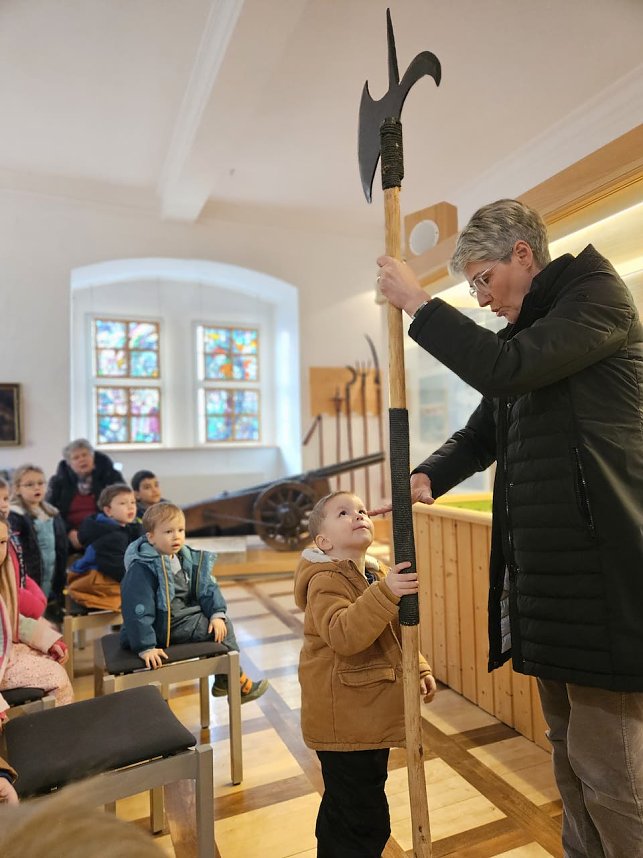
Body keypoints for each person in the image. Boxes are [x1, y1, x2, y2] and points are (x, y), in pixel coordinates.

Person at [376, 198, 643, 857]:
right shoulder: (532, 334)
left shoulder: (595, 299)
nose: (480, 299)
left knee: (615, 773)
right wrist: (427, 477)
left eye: (481, 281)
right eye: (469, 287)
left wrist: (419, 304)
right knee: (570, 758)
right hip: (550, 582)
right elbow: (483, 430)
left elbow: (505, 371)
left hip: (600, 579)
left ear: (522, 255)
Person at [294, 491, 436, 858]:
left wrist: (417, 665)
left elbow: (391, 632)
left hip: (365, 715)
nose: (358, 515)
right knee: (361, 818)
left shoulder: (373, 572)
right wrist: (386, 593)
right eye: (343, 512)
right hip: (342, 719)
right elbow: (344, 634)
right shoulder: (325, 580)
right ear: (323, 541)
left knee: (354, 804)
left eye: (360, 510)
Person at [120, 502, 268, 703]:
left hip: (180, 617)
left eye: (180, 530)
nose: (176, 536)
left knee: (220, 623)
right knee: (224, 630)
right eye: (168, 531)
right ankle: (236, 683)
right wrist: (146, 646)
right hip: (160, 628)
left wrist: (216, 613)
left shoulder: (185, 557)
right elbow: (137, 611)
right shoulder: (142, 568)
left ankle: (228, 679)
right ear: (151, 537)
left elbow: (207, 587)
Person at [0, 516, 72, 708]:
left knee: (53, 657)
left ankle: (43, 731)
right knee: (56, 675)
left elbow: (13, 620)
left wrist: (48, 642)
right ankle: (51, 734)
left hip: (6, 653)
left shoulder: (3, 578)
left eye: (2, 542)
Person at [67, 484, 141, 611]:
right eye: (123, 503)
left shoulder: (122, 529)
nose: (130, 507)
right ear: (108, 511)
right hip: (91, 579)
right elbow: (116, 567)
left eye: (133, 502)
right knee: (140, 596)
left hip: (104, 576)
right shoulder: (110, 535)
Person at [8, 465, 67, 614]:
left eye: (41, 483)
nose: (37, 488)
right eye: (29, 484)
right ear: (16, 489)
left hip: (51, 573)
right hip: (30, 577)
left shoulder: (52, 513)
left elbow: (61, 547)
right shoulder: (15, 515)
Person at [46, 439, 122, 551]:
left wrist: (94, 532)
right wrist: (69, 532)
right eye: (76, 457)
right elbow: (51, 511)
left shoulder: (110, 476)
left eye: (85, 455)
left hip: (103, 531)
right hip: (69, 535)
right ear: (69, 464)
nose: (82, 459)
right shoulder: (59, 481)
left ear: (93, 458)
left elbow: (121, 505)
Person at [0, 478, 46, 620]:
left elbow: (20, 571)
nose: (3, 505)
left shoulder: (10, 533)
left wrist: (37, 596)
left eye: (6, 498)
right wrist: (34, 604)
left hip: (18, 607)